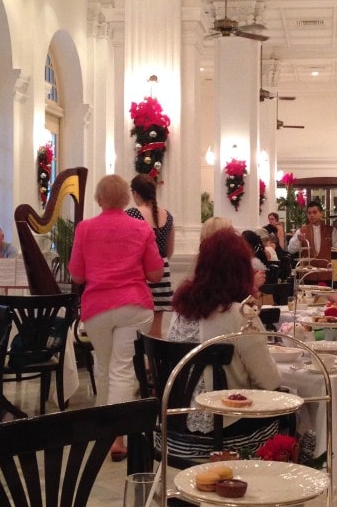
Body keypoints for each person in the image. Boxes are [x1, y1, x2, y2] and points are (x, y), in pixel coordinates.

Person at [165, 228, 283, 463]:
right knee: (291, 412)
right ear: (241, 270)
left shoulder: (181, 313)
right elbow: (269, 381)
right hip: (226, 437)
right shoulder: (241, 316)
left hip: (173, 432)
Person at [68, 174, 164, 461]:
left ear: (98, 199)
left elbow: (77, 275)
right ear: (126, 199)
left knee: (104, 364)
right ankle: (116, 436)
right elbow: (156, 274)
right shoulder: (140, 227)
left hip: (97, 307)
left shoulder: (85, 229)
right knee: (121, 368)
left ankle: (104, 429)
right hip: (134, 305)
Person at [125, 174, 174, 338]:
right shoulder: (168, 216)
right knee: (156, 329)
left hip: (141, 273)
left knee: (136, 329)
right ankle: (155, 362)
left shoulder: (131, 214)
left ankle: (140, 362)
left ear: (136, 193)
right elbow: (169, 250)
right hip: (162, 271)